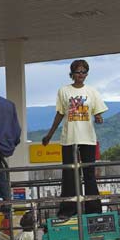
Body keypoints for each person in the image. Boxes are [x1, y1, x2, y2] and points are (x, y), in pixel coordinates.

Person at [41, 60, 108, 218]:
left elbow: (97, 112)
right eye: (78, 72)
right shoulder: (64, 91)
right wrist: (50, 134)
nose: (81, 75)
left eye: (84, 72)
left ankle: (93, 209)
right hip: (69, 138)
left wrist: (98, 117)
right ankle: (68, 210)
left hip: (88, 138)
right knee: (70, 174)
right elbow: (60, 113)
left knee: (89, 174)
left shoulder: (92, 91)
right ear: (72, 74)